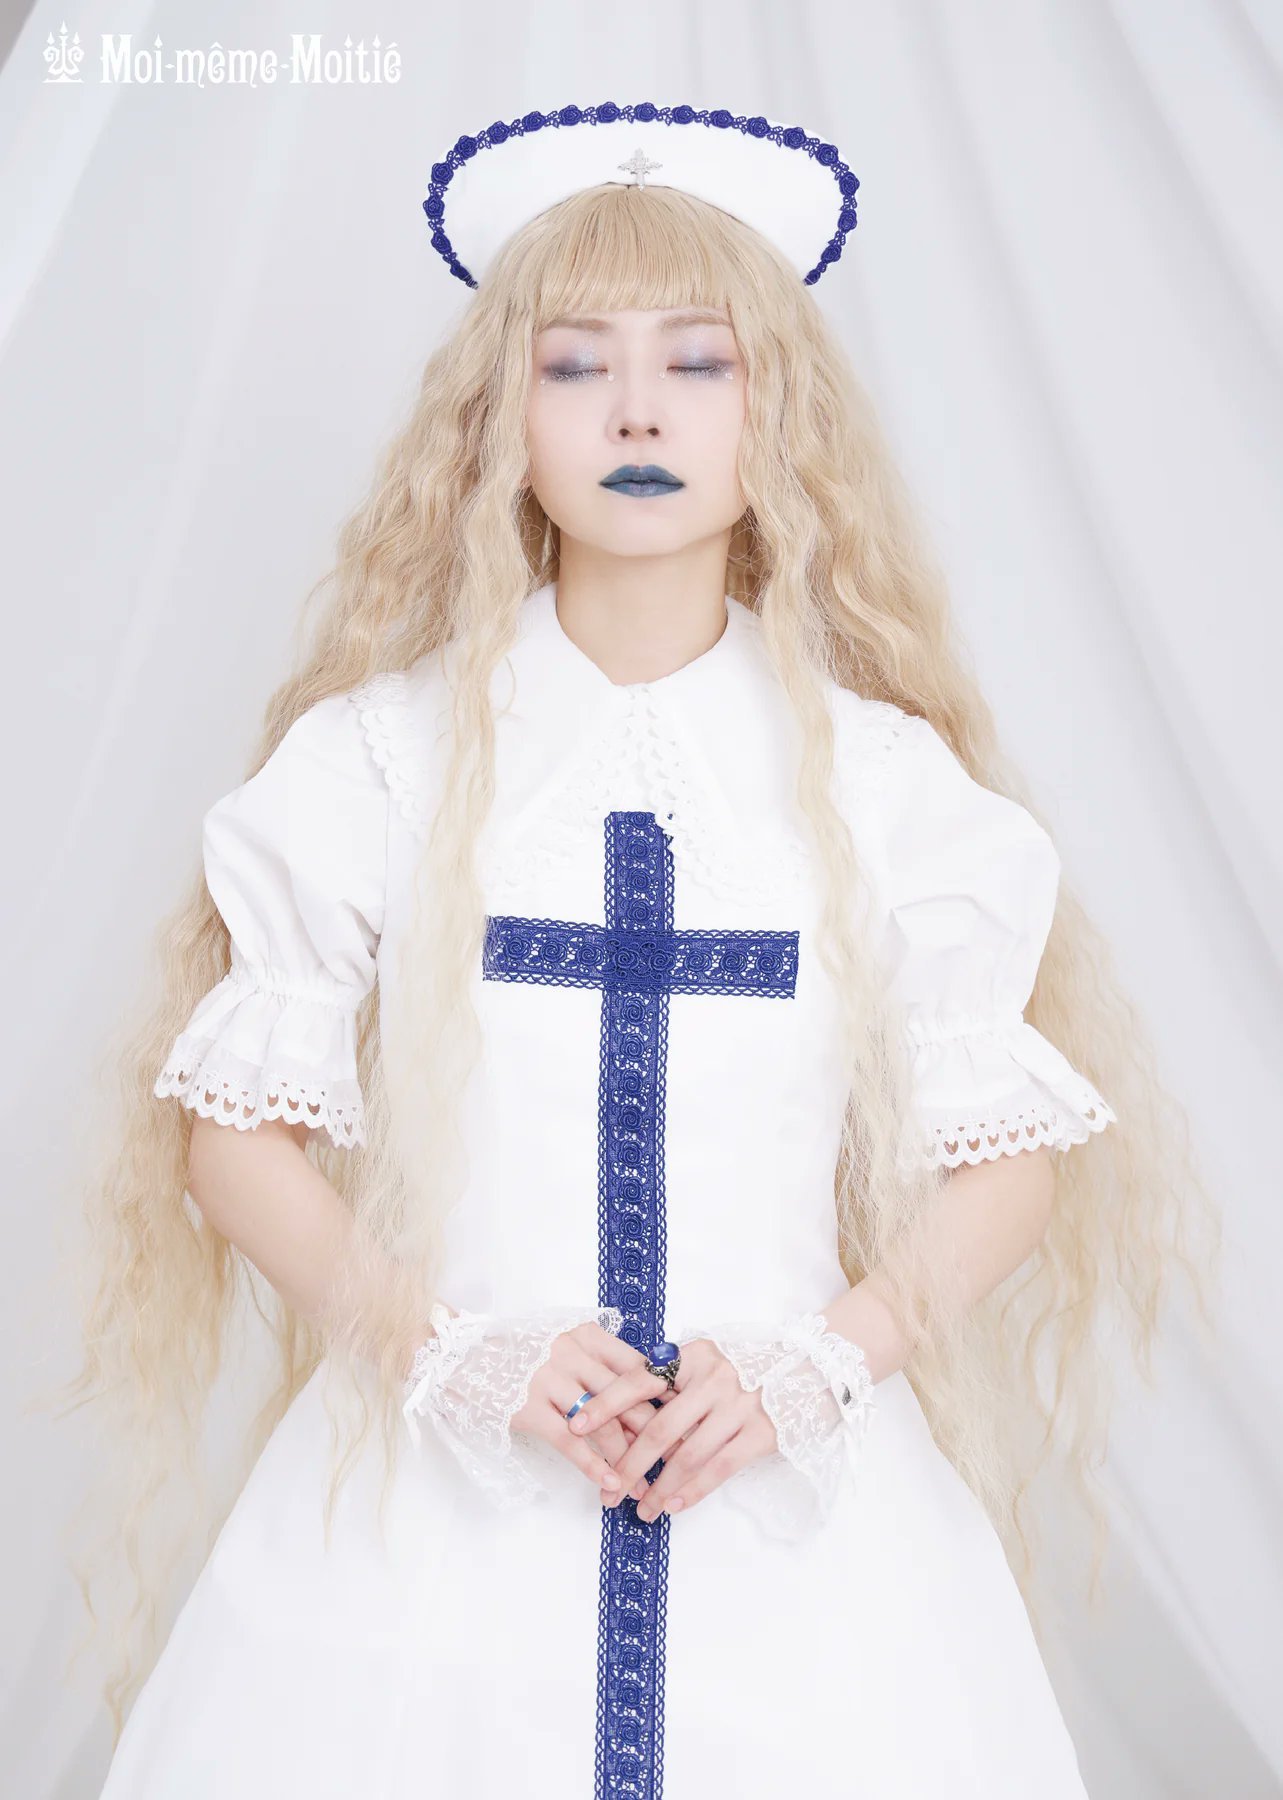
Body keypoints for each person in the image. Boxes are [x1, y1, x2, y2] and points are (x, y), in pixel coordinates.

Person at [66, 103, 1217, 1798]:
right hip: (429, 1527)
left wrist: (822, 1365)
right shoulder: (379, 761)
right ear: (497, 420)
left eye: (698, 361)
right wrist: (455, 1352)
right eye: (573, 364)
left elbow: (1008, 1159)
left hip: (797, 1515)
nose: (637, 412)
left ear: (778, 411)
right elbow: (231, 1142)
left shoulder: (884, 783)